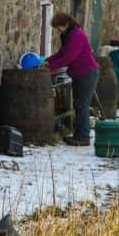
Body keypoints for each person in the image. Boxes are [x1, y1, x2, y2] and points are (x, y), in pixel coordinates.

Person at [44, 12, 100, 146]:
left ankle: (83, 137)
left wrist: (51, 67)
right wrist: (47, 61)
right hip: (79, 73)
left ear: (66, 24)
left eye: (59, 28)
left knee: (82, 105)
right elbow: (62, 53)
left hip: (87, 73)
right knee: (79, 104)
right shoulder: (67, 35)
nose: (58, 30)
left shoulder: (77, 35)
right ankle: (79, 134)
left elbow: (69, 57)